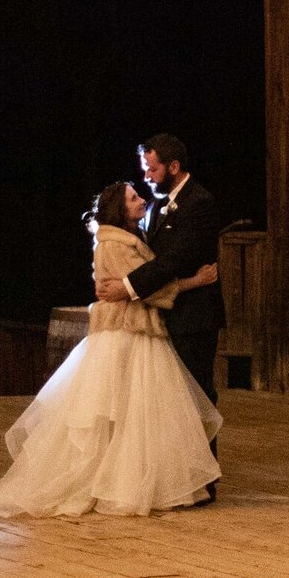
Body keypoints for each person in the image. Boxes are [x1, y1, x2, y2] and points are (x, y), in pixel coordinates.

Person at [0, 181, 220, 518]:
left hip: (130, 329)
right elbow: (145, 287)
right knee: (128, 412)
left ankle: (135, 480)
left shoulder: (122, 239)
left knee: (133, 414)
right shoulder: (117, 243)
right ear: (119, 209)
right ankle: (120, 483)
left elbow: (134, 284)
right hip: (127, 332)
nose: (141, 200)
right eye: (133, 198)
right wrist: (193, 282)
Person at [96, 133, 230, 501]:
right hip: (161, 314)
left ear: (173, 166)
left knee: (196, 394)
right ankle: (171, 476)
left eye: (153, 169)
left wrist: (127, 286)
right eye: (144, 169)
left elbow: (175, 260)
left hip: (193, 317)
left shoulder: (199, 203)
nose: (148, 176)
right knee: (167, 401)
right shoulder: (157, 206)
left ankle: (202, 478)